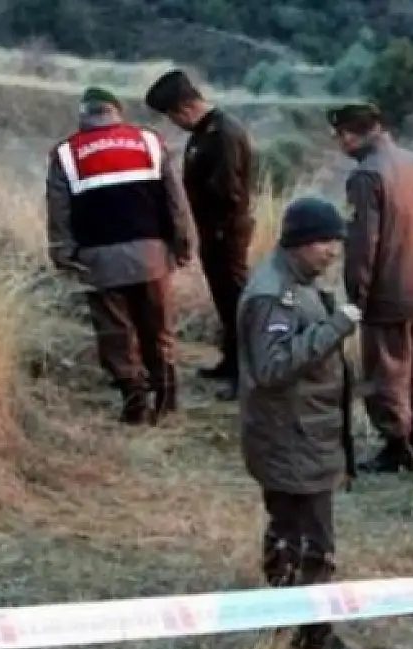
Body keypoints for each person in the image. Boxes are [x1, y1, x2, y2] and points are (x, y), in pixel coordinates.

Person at [237, 195, 363, 649]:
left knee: (291, 531)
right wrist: (335, 327)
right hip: (291, 438)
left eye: (337, 242)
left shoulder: (295, 282)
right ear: (298, 242)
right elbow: (272, 367)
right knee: (312, 541)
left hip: (301, 433)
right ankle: (313, 636)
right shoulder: (274, 295)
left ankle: (287, 617)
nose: (333, 251)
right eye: (324, 242)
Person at [46, 86, 196, 425]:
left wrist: (63, 255)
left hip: (98, 260)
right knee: (158, 326)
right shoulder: (149, 142)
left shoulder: (67, 153)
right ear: (116, 112)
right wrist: (183, 245)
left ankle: (135, 401)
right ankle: (167, 397)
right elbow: (175, 201)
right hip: (152, 256)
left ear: (84, 116)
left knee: (115, 332)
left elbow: (59, 211)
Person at [328, 102, 413, 473]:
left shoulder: (366, 177)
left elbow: (363, 245)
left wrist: (357, 295)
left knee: (387, 372)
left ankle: (397, 447)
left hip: (388, 291)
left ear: (350, 135)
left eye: (339, 137)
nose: (339, 145)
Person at [144, 69, 255, 401]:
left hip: (226, 230)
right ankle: (230, 360)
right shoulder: (205, 132)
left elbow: (228, 190)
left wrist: (215, 226)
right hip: (212, 229)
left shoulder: (223, 134)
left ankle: (246, 373)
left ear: (185, 108)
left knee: (236, 301)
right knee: (224, 299)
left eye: (172, 115)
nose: (174, 123)